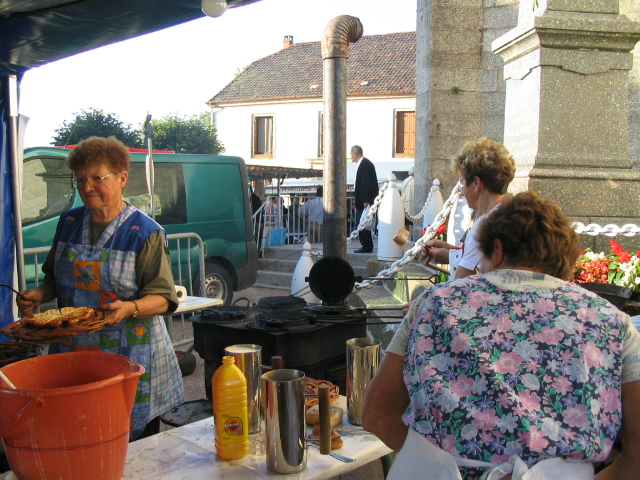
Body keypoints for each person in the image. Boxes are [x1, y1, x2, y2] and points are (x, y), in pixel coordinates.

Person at [362, 191, 640, 479]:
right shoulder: (613, 322)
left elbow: (377, 415)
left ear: (497, 250)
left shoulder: (435, 303)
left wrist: (436, 467)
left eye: (481, 257)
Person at [17, 136, 184, 441]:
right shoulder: (68, 222)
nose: (87, 187)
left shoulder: (144, 232)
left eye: (97, 178)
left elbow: (163, 298)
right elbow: (54, 277)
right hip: (74, 352)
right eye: (81, 179)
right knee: (78, 435)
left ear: (122, 179)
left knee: (134, 451)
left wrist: (130, 307)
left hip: (132, 355)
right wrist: (39, 295)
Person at [422, 137, 515, 279]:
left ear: (476, 183)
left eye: (462, 182)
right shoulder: (510, 213)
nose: (462, 191)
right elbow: (476, 257)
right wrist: (450, 252)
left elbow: (462, 284)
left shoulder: (485, 225)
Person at [351, 145, 378, 253]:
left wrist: (366, 200)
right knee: (361, 222)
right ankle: (365, 244)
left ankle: (366, 245)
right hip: (362, 201)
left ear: (355, 154)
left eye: (351, 154)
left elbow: (366, 183)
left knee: (362, 222)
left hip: (364, 202)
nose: (351, 157)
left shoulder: (365, 165)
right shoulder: (364, 164)